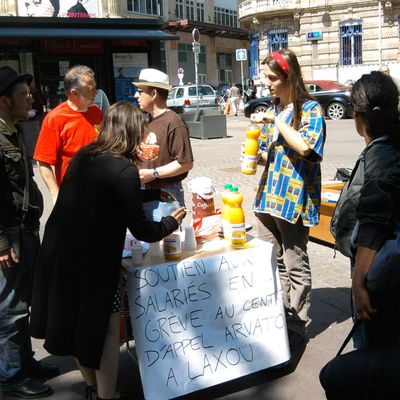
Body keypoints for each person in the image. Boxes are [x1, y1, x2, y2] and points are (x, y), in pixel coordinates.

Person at [30, 102, 186, 400]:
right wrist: (170, 222)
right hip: (93, 263)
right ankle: (107, 395)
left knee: (78, 324)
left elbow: (107, 195)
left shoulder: (84, 155)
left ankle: (91, 385)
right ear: (131, 132)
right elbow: (143, 230)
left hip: (58, 251)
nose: (143, 139)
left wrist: (152, 193)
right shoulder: (124, 169)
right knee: (107, 330)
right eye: (141, 133)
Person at [320, 72, 400, 399]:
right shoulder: (391, 144)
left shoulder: (382, 152)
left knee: (372, 363)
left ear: (357, 114)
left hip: (380, 281)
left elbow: (374, 218)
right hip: (388, 274)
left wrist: (358, 282)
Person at [250, 49, 326, 356]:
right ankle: (280, 315)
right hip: (269, 194)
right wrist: (256, 155)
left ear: (288, 77)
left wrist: (277, 121)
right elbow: (276, 153)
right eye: (265, 77)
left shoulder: (309, 109)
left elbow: (305, 147)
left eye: (271, 78)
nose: (266, 83)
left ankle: (298, 324)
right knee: (274, 258)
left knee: (295, 260)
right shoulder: (276, 108)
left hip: (293, 197)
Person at [0, 66, 58, 399]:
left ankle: (25, 363)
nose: (30, 98)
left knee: (22, 303)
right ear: (5, 100)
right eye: (23, 94)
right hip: (10, 234)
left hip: (24, 229)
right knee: (9, 310)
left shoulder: (13, 130)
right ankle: (11, 377)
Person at [34, 65, 102, 204]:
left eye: (95, 87)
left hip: (101, 190)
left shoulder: (96, 112)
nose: (96, 93)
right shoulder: (55, 118)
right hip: (73, 195)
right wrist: (55, 195)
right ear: (74, 93)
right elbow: (44, 161)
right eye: (91, 90)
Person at [134, 68, 194, 218]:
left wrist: (153, 174)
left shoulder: (174, 122)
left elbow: (185, 163)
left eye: (140, 91)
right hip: (144, 191)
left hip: (166, 192)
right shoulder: (146, 119)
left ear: (153, 94)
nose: (136, 95)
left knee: (168, 241)